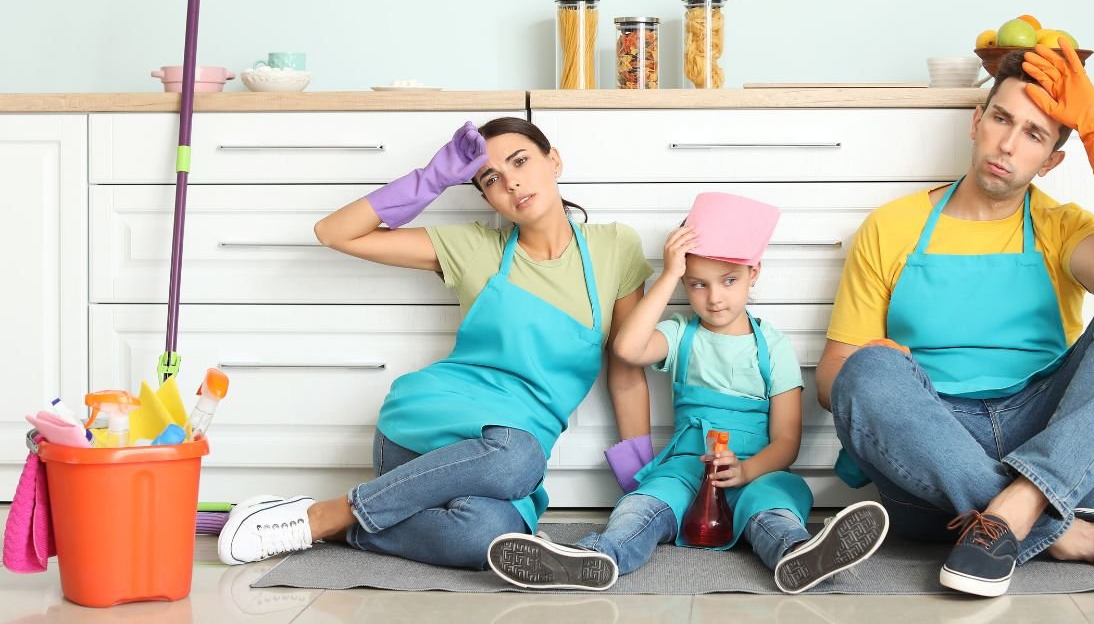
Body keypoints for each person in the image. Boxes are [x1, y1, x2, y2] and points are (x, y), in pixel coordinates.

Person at [816, 41, 1094, 598]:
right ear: (976, 122)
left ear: (1052, 160)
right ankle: (1070, 535)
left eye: (1034, 134)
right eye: (1001, 118)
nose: (1007, 143)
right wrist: (878, 361)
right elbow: (832, 381)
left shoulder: (1058, 226)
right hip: (931, 458)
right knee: (867, 370)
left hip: (1047, 437)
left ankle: (1019, 506)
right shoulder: (892, 226)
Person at [217, 117, 655, 569]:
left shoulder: (615, 247)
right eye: (491, 178)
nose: (512, 182)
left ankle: (344, 525)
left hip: (502, 452)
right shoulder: (473, 248)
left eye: (520, 161)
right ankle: (320, 515)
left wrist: (641, 479)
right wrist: (434, 178)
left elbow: (625, 372)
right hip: (425, 432)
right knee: (518, 458)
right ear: (485, 196)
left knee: (488, 536)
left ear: (554, 160)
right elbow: (335, 233)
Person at [488, 202, 889, 595]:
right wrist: (667, 274)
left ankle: (799, 554)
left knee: (773, 510)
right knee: (640, 507)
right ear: (684, 283)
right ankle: (593, 557)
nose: (714, 298)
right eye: (698, 283)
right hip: (685, 467)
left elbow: (786, 442)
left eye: (729, 280)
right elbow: (627, 348)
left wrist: (747, 472)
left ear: (755, 273)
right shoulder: (680, 333)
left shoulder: (774, 346)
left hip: (754, 470)